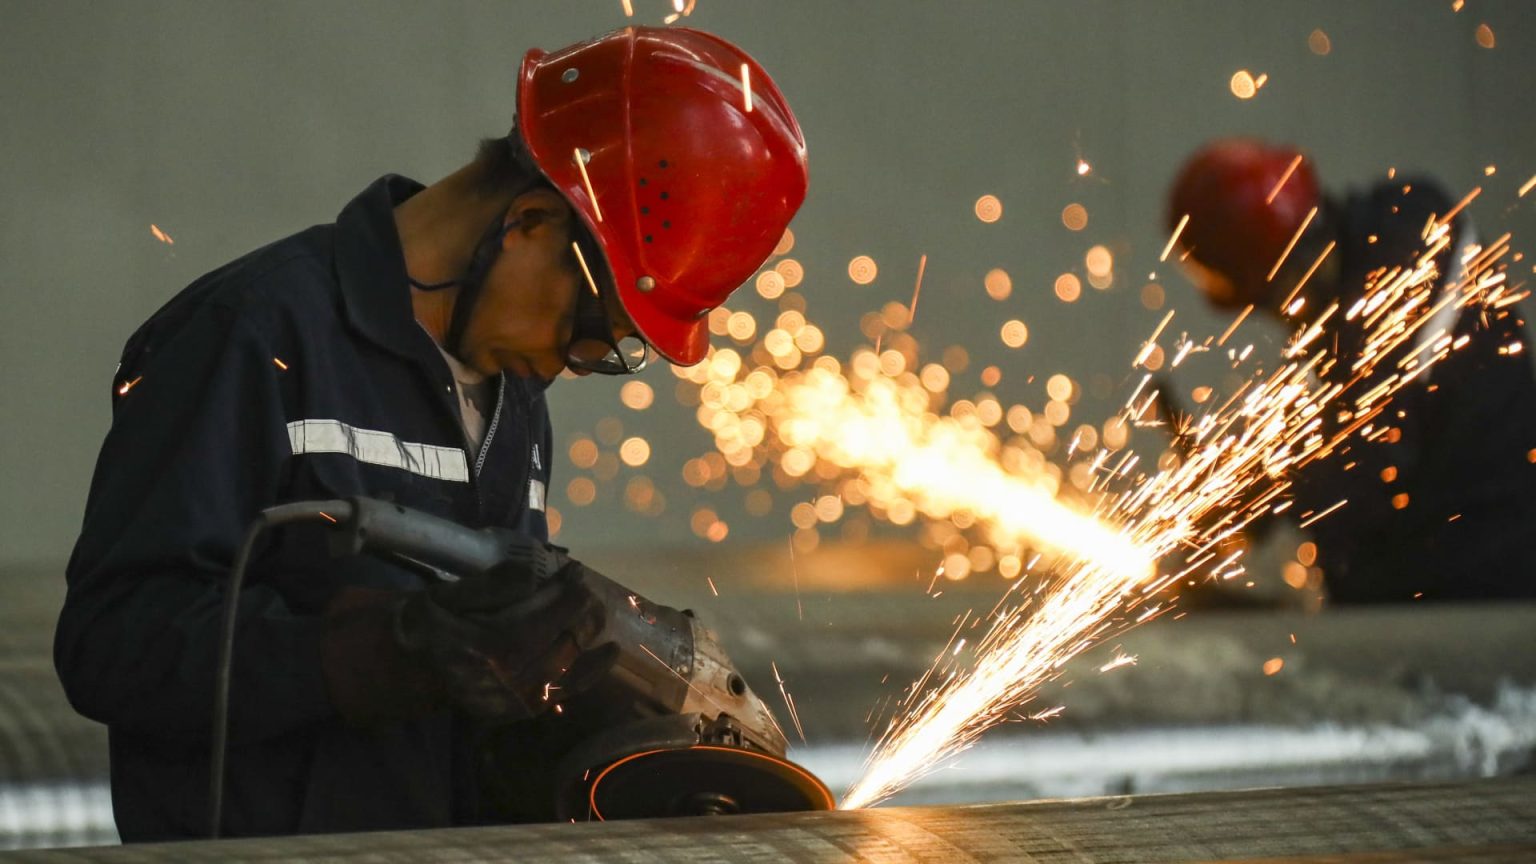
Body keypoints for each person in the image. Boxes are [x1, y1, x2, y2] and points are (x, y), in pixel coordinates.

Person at [55, 26, 807, 841]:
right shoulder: (253, 335)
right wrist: (385, 650)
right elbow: (113, 645)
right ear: (528, 223)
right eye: (599, 326)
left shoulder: (514, 396)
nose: (583, 362)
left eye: (618, 350)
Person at [1165, 138, 1536, 603]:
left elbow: (1359, 477)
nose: (1274, 315)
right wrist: (1240, 492)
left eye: (1265, 297)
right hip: (1438, 595)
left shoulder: (1413, 263)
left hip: (1483, 608)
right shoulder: (1353, 291)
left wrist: (1265, 499)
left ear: (1289, 264)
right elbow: (1319, 422)